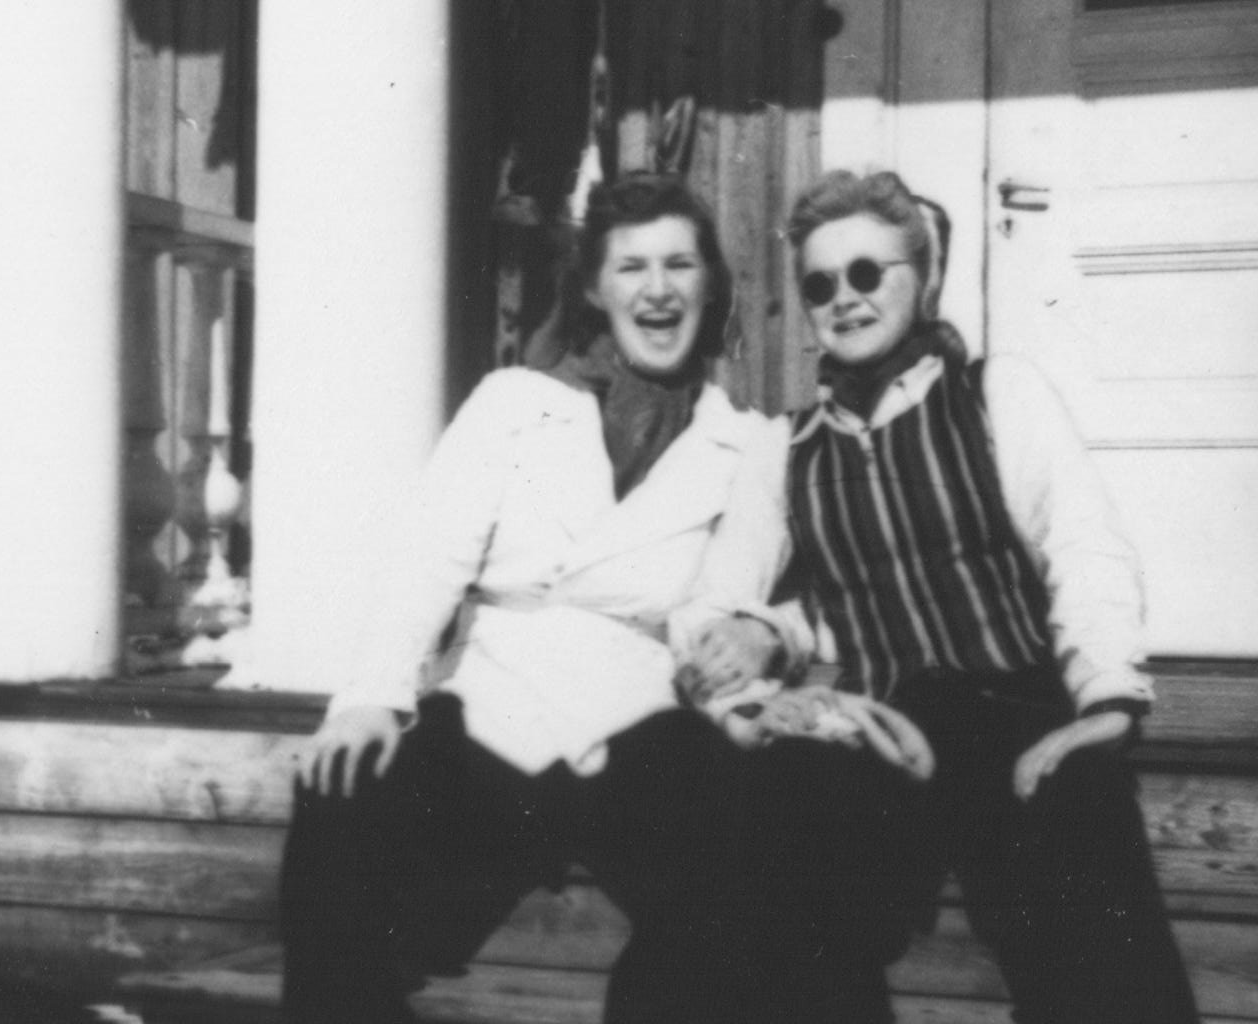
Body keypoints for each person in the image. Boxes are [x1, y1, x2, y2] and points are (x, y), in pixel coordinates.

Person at [680, 168, 1199, 1024]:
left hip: (1014, 706)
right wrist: (752, 694)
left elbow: (1082, 545)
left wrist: (1106, 699)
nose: (845, 299)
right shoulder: (785, 449)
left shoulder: (994, 396)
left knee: (1079, 845)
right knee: (783, 846)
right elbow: (715, 608)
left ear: (921, 280)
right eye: (820, 285)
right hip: (887, 729)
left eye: (867, 273)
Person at [279, 173, 791, 1024]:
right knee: (342, 794)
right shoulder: (513, 402)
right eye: (631, 268)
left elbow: (727, 605)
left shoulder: (747, 442)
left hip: (637, 721)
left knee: (727, 867)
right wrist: (370, 699)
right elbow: (426, 560)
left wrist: (740, 677)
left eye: (679, 265)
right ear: (594, 289)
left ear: (710, 284)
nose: (658, 290)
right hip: (492, 708)